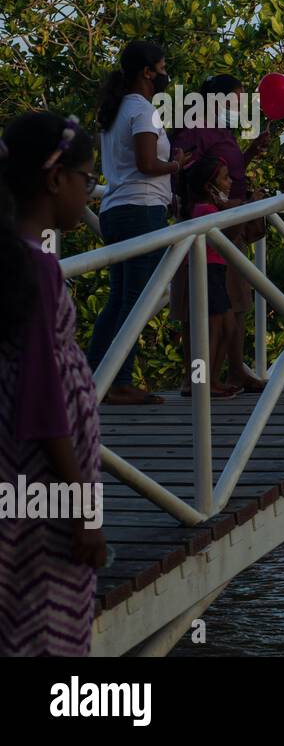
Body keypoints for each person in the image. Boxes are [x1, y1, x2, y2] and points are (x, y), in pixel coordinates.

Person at [0, 112, 106, 655]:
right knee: (46, 627)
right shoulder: (37, 269)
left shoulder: (14, 261)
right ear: (54, 179)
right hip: (45, 481)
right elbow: (43, 402)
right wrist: (84, 510)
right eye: (86, 180)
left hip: (18, 476)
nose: (88, 193)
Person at [87, 40, 189, 405]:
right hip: (141, 210)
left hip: (115, 209)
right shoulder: (143, 110)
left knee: (119, 299)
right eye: (162, 67)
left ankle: (95, 377)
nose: (164, 73)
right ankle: (120, 381)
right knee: (137, 300)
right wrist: (176, 164)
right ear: (147, 72)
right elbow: (147, 165)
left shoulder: (115, 110)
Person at [169, 74, 270, 394]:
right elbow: (184, 167)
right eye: (235, 98)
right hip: (205, 227)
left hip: (232, 226)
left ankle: (235, 370)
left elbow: (225, 171)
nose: (240, 104)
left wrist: (251, 152)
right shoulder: (194, 125)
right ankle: (195, 378)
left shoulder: (224, 129)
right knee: (199, 307)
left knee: (235, 301)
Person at [177, 156, 243, 398]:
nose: (230, 182)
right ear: (208, 186)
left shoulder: (205, 208)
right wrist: (246, 204)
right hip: (207, 270)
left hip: (213, 270)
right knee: (216, 327)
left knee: (226, 326)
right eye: (225, 177)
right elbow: (228, 233)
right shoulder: (205, 210)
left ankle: (208, 380)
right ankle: (206, 382)